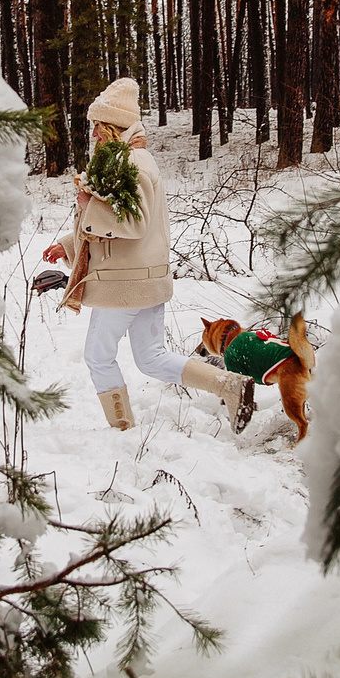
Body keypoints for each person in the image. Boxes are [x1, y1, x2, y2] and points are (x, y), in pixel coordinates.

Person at [42, 78, 254, 432]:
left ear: (114, 126)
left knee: (97, 356)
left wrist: (89, 205)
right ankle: (231, 386)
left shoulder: (134, 163)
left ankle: (122, 431)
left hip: (124, 283)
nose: (93, 134)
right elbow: (125, 223)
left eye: (97, 126)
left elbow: (134, 222)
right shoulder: (129, 160)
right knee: (152, 358)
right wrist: (69, 243)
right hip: (144, 279)